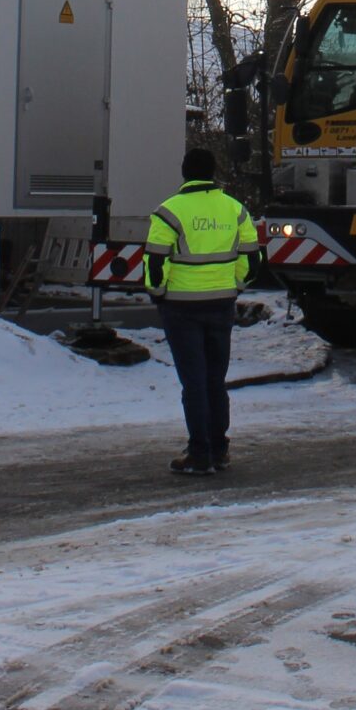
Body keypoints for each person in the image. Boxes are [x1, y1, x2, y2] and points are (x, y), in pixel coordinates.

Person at [145, 146, 260, 477]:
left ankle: (199, 453)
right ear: (213, 172)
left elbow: (155, 264)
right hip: (221, 307)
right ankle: (219, 449)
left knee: (193, 381)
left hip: (180, 309)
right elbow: (252, 264)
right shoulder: (236, 211)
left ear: (184, 172)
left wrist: (159, 294)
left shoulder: (168, 213)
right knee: (215, 379)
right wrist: (234, 287)